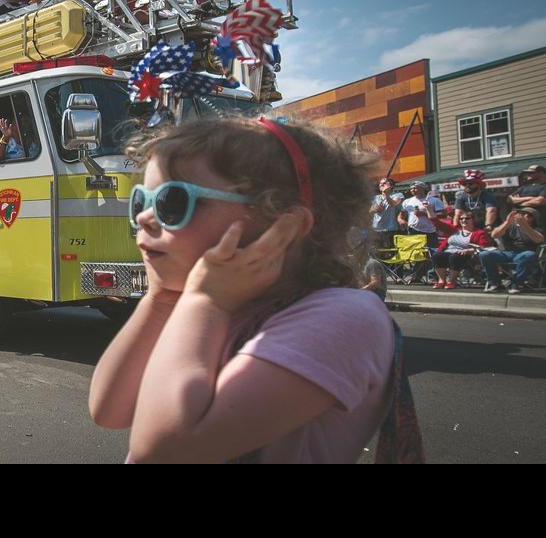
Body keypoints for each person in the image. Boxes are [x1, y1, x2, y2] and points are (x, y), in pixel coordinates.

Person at [89, 117, 415, 464]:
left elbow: (162, 451)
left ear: (284, 225)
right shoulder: (214, 306)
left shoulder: (342, 315)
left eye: (173, 202)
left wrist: (205, 301)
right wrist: (161, 299)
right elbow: (108, 410)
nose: (144, 218)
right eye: (141, 201)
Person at [480, 207, 546, 295]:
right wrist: (507, 222)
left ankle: (516, 284)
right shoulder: (510, 226)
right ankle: (495, 283)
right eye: (522, 213)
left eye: (529, 215)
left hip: (524, 253)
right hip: (507, 253)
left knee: (529, 255)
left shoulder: (537, 229)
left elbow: (539, 239)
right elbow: (494, 235)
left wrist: (524, 225)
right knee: (485, 254)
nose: (525, 216)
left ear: (534, 219)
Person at [432, 212, 491, 290]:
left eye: (467, 218)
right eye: (461, 218)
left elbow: (483, 247)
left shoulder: (479, 233)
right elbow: (436, 222)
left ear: (473, 220)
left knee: (454, 257)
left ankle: (451, 281)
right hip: (448, 252)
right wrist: (428, 208)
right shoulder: (454, 230)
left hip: (466, 255)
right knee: (437, 256)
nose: (463, 220)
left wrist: (469, 250)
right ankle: (441, 280)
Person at [509, 165, 546, 234]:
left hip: (541, 224)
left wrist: (519, 203)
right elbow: (510, 199)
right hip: (521, 224)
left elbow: (540, 201)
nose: (528, 174)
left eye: (531, 172)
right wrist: (529, 198)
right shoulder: (523, 187)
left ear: (541, 173)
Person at [454, 169, 498, 234]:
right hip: (470, 228)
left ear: (478, 185)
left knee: (496, 240)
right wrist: (455, 227)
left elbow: (491, 211)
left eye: (471, 183)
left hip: (490, 227)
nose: (467, 186)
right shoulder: (461, 197)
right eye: (465, 184)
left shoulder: (487, 196)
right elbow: (458, 213)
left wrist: (488, 226)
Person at [369, 178, 404, 249]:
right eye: (380, 183)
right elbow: (370, 211)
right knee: (377, 251)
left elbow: (393, 204)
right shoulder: (376, 197)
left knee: (390, 251)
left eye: (384, 183)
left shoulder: (398, 195)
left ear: (391, 186)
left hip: (390, 229)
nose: (381, 184)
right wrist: (375, 209)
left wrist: (386, 194)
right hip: (376, 228)